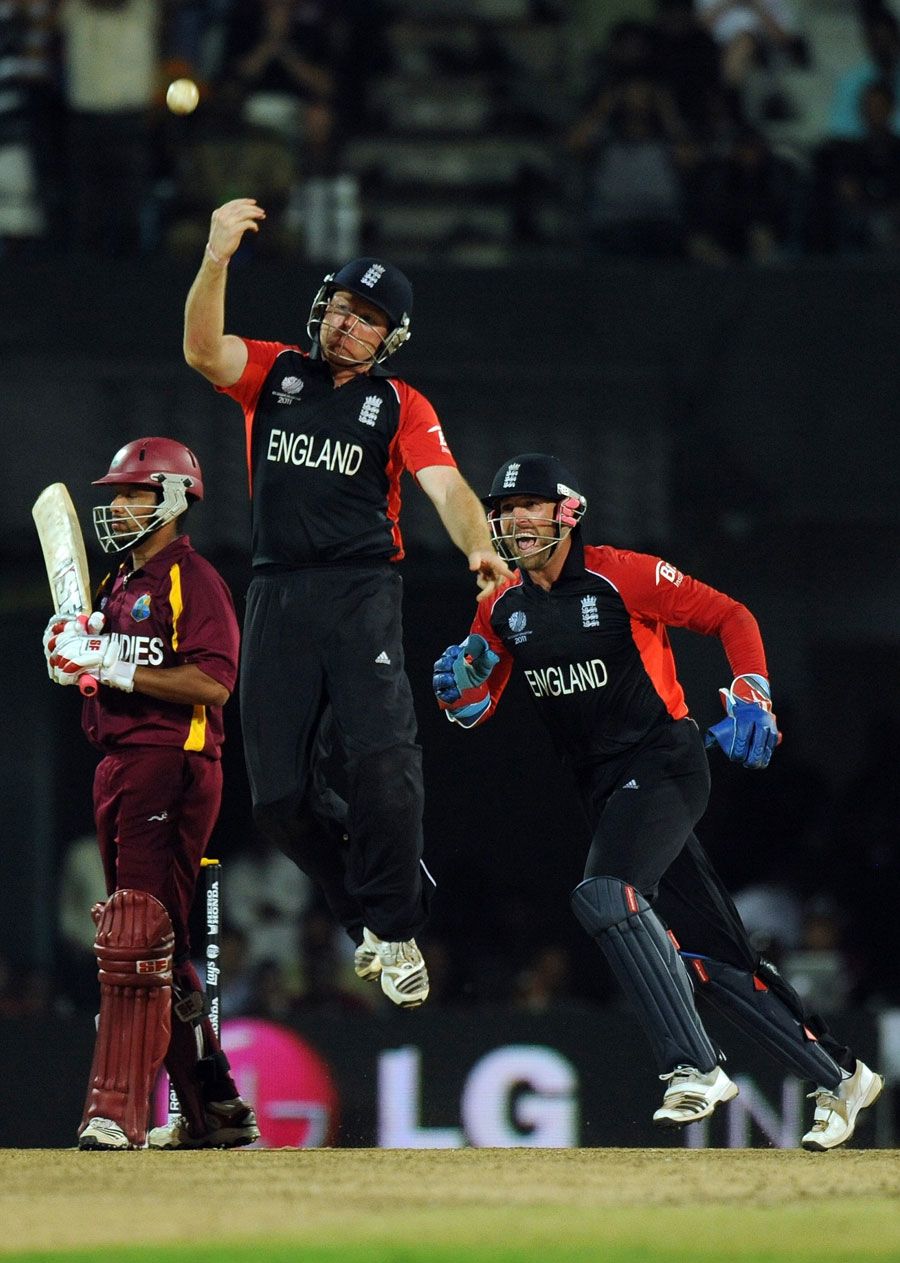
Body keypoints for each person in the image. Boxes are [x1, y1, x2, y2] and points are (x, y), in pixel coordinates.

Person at [432, 452, 883, 1151]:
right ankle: (841, 1076)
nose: (517, 519)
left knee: (606, 893)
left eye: (531, 504)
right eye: (505, 508)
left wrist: (754, 688)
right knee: (711, 956)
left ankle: (694, 1066)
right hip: (605, 788)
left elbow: (731, 615)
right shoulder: (503, 607)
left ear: (567, 513)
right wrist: (459, 689)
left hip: (666, 763)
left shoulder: (623, 573)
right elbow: (473, 705)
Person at [182, 197, 513, 1010]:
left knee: (384, 763)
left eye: (367, 319)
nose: (346, 325)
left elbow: (449, 487)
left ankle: (397, 928)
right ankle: (366, 914)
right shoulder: (277, 374)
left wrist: (480, 544)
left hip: (361, 591)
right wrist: (217, 256)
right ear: (319, 307)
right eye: (339, 307)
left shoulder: (400, 405)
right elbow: (200, 351)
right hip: (277, 591)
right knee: (276, 800)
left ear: (388, 338)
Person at [42, 436, 259, 1151]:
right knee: (157, 944)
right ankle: (217, 1109)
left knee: (133, 933)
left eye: (134, 492)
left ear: (171, 497)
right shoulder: (117, 584)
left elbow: (213, 683)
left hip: (172, 761)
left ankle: (115, 1110)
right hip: (119, 763)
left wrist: (112, 665)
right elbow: (104, 668)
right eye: (116, 494)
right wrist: (74, 658)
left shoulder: (191, 579)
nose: (119, 505)